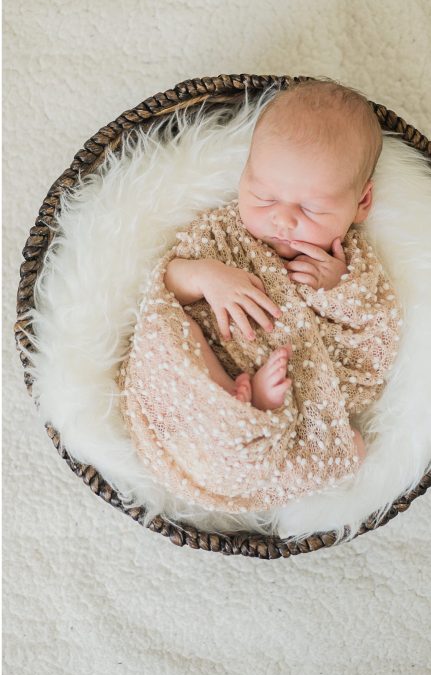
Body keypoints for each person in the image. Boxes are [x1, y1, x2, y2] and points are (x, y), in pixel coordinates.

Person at [118, 78, 402, 513]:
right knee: (162, 332)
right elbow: (167, 286)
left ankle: (262, 415)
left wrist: (336, 288)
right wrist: (209, 277)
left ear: (361, 203)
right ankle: (236, 407)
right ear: (244, 175)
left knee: (345, 448)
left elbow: (373, 335)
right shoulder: (222, 233)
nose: (283, 220)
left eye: (310, 209)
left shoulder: (352, 266)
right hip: (193, 389)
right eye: (263, 195)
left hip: (296, 400)